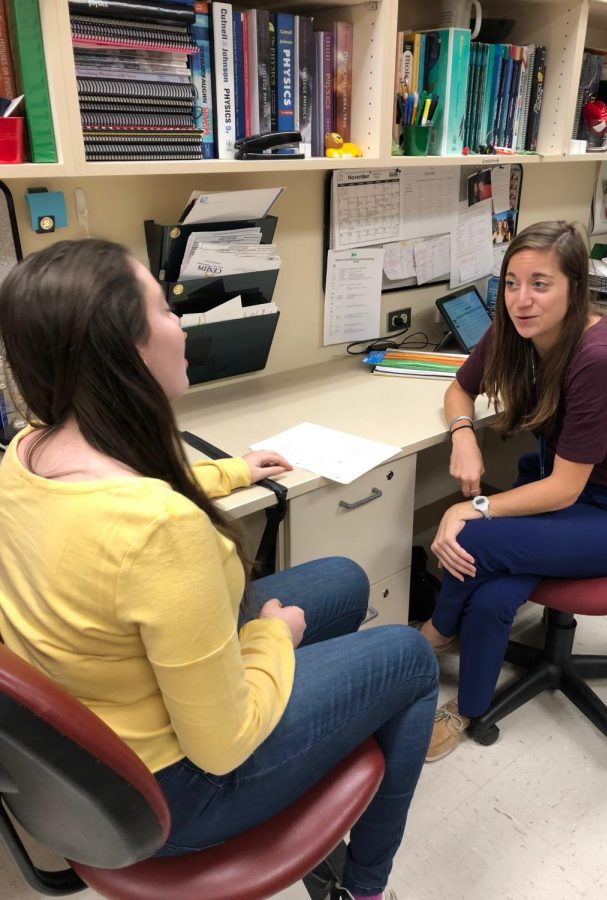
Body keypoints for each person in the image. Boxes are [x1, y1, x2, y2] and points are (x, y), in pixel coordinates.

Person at [0, 239, 439, 900]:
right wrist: (273, 637)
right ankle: (365, 886)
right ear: (129, 350)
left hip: (99, 726)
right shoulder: (158, 529)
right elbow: (222, 744)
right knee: (408, 656)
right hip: (172, 791)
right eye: (163, 308)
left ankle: (322, 759)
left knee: (343, 582)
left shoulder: (28, 447)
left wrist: (234, 469)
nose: (179, 325)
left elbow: (128, 485)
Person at [418, 220, 607, 761]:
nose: (521, 299)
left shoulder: (600, 355)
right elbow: (461, 386)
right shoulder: (517, 329)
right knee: (492, 591)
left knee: (475, 543)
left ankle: (434, 636)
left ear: (575, 289)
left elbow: (563, 489)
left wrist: (473, 507)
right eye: (511, 282)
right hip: (564, 492)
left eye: (540, 283)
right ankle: (468, 708)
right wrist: (464, 438)